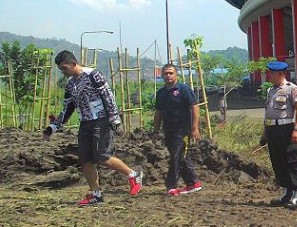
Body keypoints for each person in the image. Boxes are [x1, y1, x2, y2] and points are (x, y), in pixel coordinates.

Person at [43, 50, 143, 206]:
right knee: (85, 159)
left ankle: (133, 175)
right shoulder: (70, 84)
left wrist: (114, 118)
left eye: (64, 67)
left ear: (73, 63)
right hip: (85, 122)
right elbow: (68, 108)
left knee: (102, 156)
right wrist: (53, 127)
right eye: (60, 69)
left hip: (101, 120)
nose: (63, 71)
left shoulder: (93, 75)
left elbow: (108, 96)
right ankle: (96, 194)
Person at [153, 64, 203, 196]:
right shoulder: (161, 93)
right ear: (162, 75)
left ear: (176, 75)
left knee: (175, 156)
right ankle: (193, 183)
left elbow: (195, 107)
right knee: (180, 156)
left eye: (171, 73)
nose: (168, 75)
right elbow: (158, 113)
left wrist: (195, 128)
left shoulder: (184, 89)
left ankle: (172, 186)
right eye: (165, 73)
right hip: (168, 130)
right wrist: (156, 131)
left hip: (183, 130)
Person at [261, 61, 297, 209]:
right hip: (272, 130)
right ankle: (286, 191)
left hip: (286, 129)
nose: (269, 76)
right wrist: (264, 133)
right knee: (277, 161)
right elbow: (267, 113)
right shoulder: (270, 90)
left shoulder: (292, 89)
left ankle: (296, 194)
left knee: (291, 161)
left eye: (271, 73)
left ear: (280, 74)